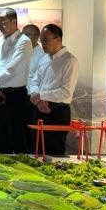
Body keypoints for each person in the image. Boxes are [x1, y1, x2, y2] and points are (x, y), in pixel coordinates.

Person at [27, 24, 79, 156]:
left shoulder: (70, 61)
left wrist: (40, 96)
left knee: (54, 153)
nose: (43, 44)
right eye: (41, 40)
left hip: (57, 112)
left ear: (58, 39)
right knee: (35, 150)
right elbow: (34, 81)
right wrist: (38, 99)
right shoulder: (44, 58)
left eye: (45, 40)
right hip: (38, 109)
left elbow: (66, 92)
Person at [0, 8, 32, 153]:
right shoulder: (0, 41)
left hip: (16, 94)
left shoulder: (24, 41)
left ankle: (21, 166)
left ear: (14, 22)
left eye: (4, 23)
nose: (1, 26)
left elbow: (12, 69)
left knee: (17, 136)